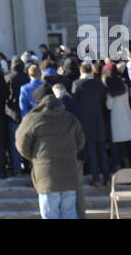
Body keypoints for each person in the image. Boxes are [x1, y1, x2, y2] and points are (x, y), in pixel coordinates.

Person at [16, 88, 85, 219]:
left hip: (46, 173)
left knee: (49, 214)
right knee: (69, 211)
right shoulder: (70, 117)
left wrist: (34, 157)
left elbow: (21, 144)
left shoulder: (32, 119)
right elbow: (81, 142)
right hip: (69, 171)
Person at [71, 61, 109, 185]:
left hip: (85, 121)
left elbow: (74, 103)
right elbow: (104, 100)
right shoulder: (98, 83)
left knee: (91, 150)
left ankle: (96, 178)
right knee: (102, 150)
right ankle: (107, 177)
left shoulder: (77, 84)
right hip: (99, 119)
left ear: (81, 71)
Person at [104, 65, 131, 171]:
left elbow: (109, 106)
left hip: (116, 120)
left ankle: (126, 169)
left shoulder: (110, 92)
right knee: (130, 146)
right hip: (127, 116)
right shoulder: (124, 87)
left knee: (122, 147)